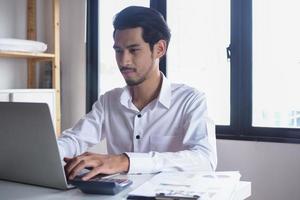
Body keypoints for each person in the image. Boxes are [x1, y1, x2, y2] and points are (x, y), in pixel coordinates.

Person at [58, 6, 217, 181]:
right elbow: (74, 139)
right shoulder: (109, 101)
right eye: (118, 51)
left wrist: (126, 161)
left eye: (134, 50)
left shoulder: (190, 100)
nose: (123, 61)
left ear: (159, 49)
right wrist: (48, 154)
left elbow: (205, 160)